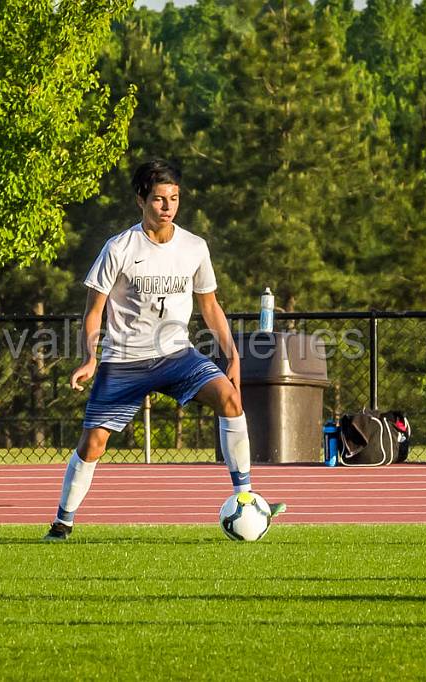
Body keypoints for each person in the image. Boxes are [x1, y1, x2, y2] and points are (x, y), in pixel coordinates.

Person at [43, 159, 285, 541]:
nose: (167, 206)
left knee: (229, 399)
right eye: (159, 199)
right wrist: (91, 356)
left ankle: (245, 498)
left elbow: (210, 306)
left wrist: (233, 355)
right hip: (124, 361)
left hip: (177, 356)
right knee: (93, 444)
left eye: (174, 198)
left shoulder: (194, 247)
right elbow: (94, 311)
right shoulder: (118, 248)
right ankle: (62, 522)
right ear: (141, 200)